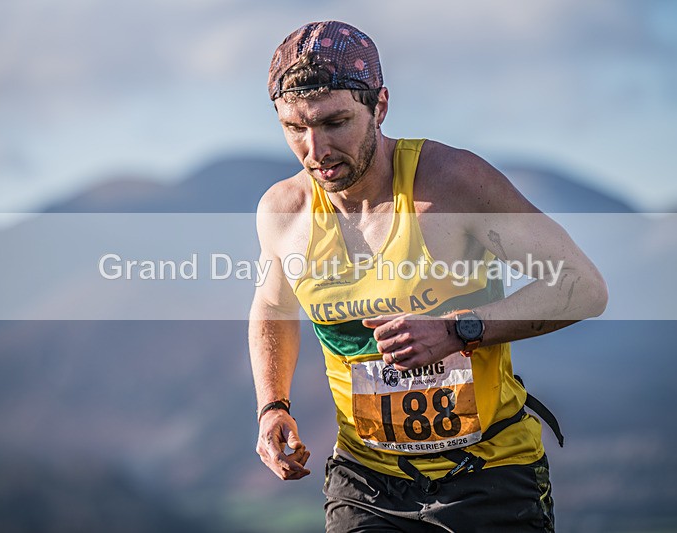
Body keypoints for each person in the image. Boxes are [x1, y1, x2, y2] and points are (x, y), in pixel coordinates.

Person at [249, 20, 607, 532]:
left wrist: (457, 330)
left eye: (335, 122)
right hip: (365, 483)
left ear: (380, 106)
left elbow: (583, 287)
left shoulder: (453, 184)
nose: (316, 149)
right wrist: (272, 406)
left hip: (489, 474)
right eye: (294, 128)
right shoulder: (284, 213)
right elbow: (273, 305)